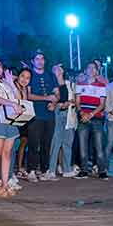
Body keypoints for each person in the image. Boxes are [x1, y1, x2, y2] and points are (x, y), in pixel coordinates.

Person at [0, 58, 24, 197]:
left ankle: (5, 183)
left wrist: (12, 83)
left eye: (0, 66)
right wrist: (12, 104)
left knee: (7, 153)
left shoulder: (6, 83)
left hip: (10, 119)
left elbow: (19, 98)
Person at [26, 50, 58, 180]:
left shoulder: (51, 75)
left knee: (47, 144)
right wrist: (46, 99)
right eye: (37, 59)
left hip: (49, 116)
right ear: (33, 61)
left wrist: (54, 102)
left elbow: (57, 93)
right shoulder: (29, 75)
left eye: (42, 58)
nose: (40, 61)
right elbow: (28, 95)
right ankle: (31, 170)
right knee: (33, 144)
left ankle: (45, 170)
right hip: (34, 115)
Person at [75, 61, 107, 179]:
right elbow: (77, 102)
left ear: (97, 71)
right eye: (89, 67)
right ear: (86, 70)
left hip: (97, 119)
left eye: (94, 68)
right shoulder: (79, 84)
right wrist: (82, 113)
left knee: (98, 147)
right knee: (83, 147)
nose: (91, 70)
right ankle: (84, 170)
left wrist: (91, 114)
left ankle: (102, 170)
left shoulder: (101, 85)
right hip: (83, 119)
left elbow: (102, 104)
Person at [49, 63, 78, 178]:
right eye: (55, 69)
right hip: (57, 114)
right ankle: (51, 169)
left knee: (67, 143)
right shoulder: (51, 83)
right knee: (56, 142)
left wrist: (71, 102)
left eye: (59, 69)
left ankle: (67, 169)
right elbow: (52, 100)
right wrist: (58, 104)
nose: (57, 70)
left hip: (69, 115)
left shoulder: (70, 84)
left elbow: (75, 100)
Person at [13, 68, 32, 182]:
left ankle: (20, 168)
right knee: (8, 146)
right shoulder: (11, 85)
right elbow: (18, 100)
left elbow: (25, 102)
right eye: (23, 76)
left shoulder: (24, 88)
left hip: (23, 119)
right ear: (18, 76)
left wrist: (25, 89)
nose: (25, 79)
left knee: (24, 142)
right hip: (11, 119)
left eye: (28, 78)